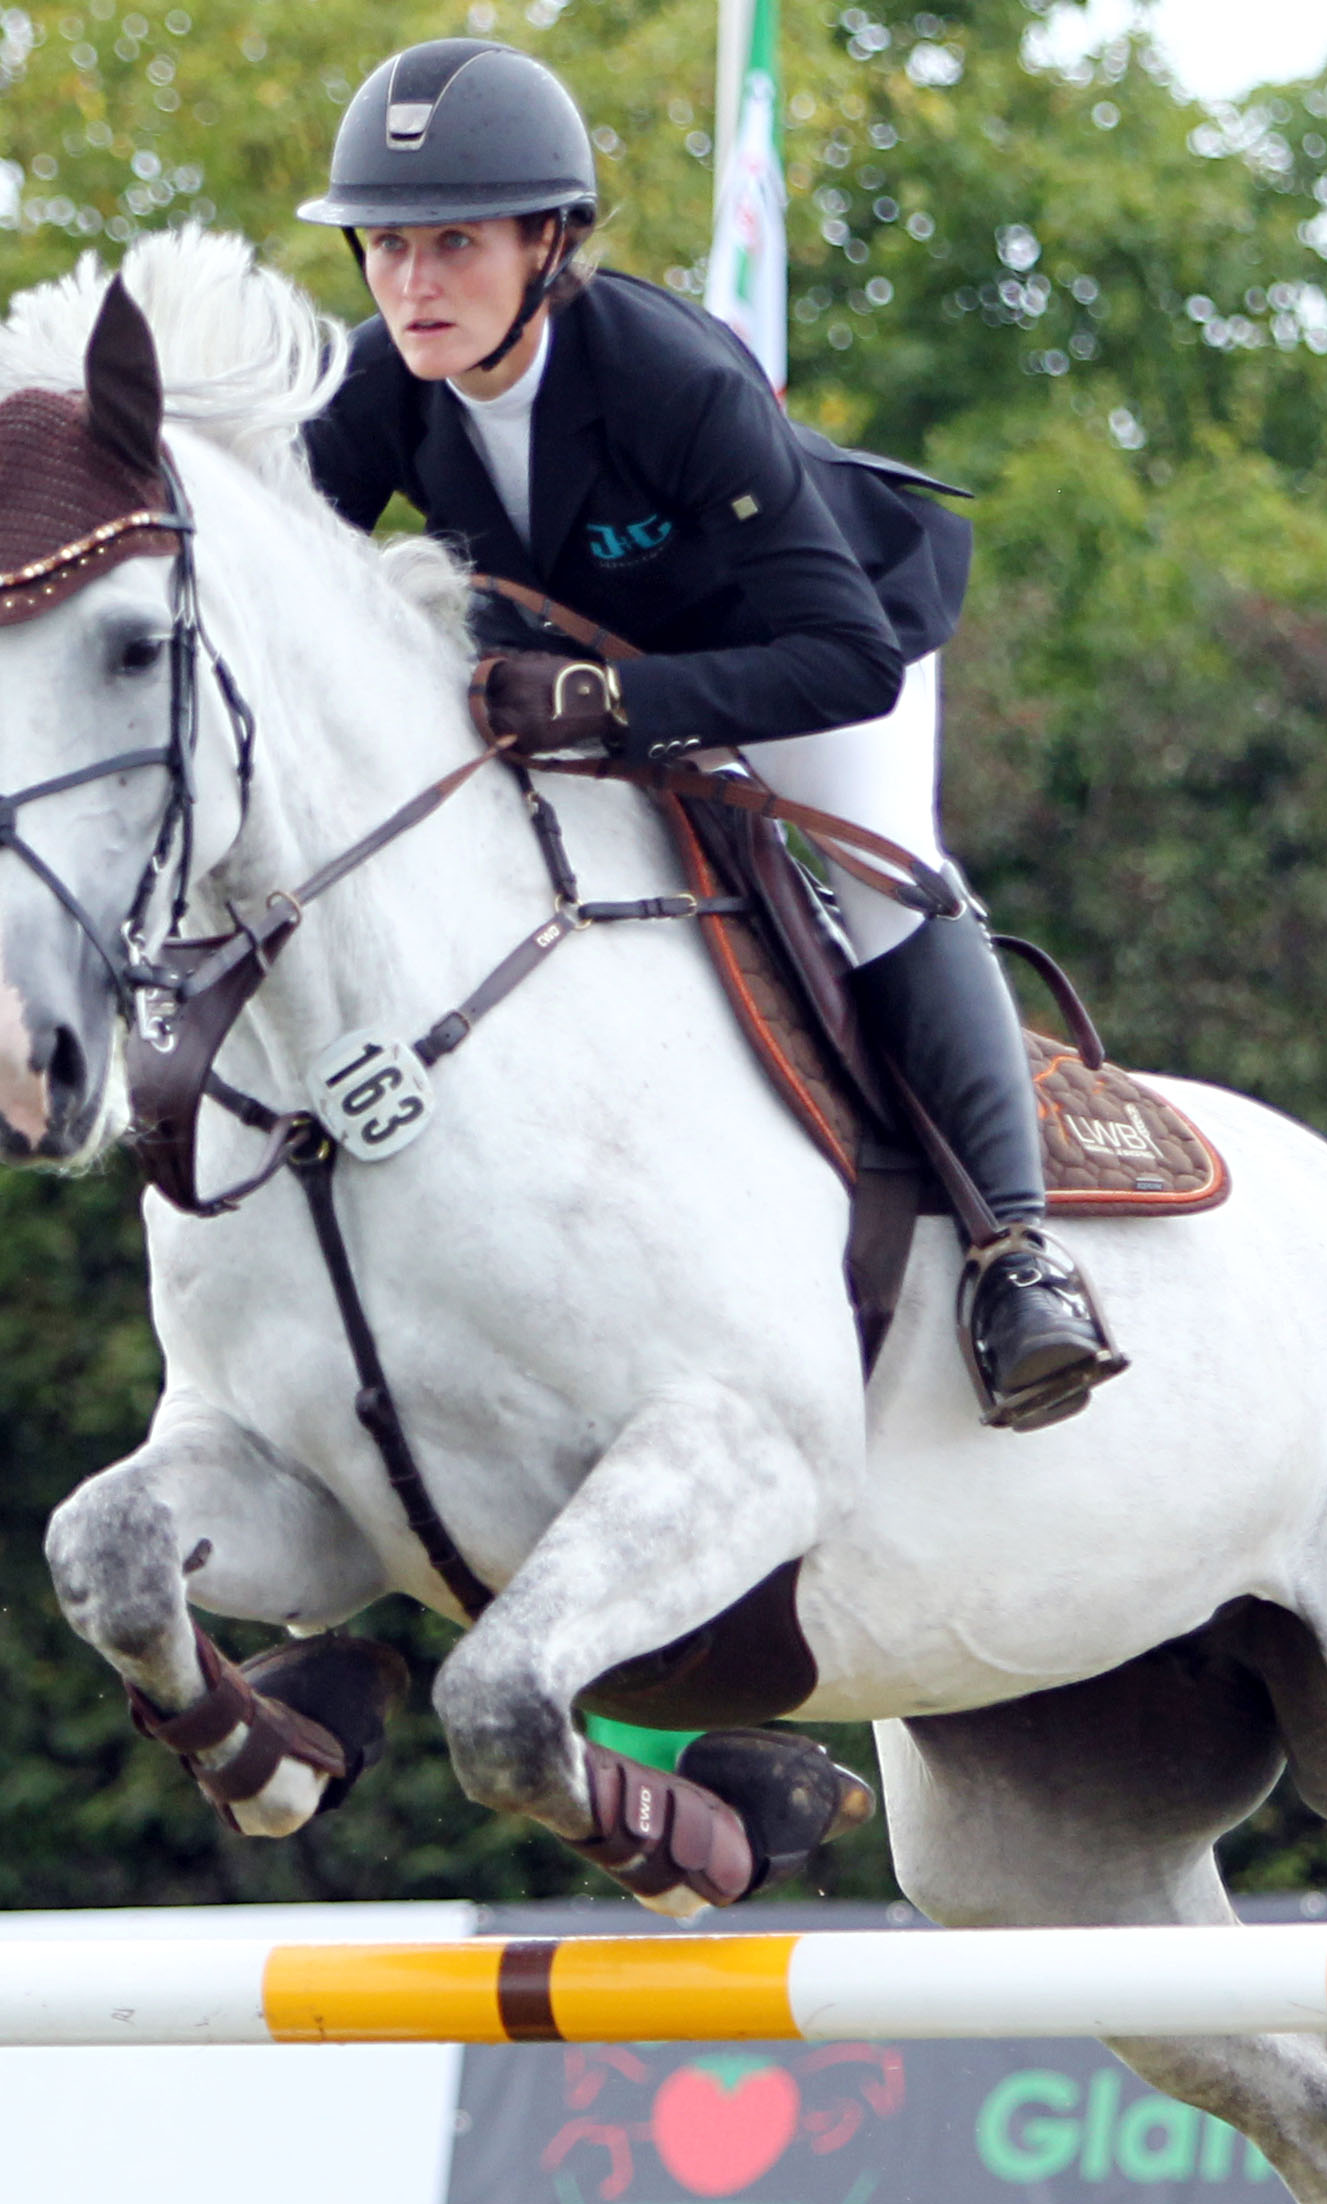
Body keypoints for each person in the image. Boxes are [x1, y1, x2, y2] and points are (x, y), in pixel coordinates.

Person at [295, 38, 1126, 1433]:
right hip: (589, 668)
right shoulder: (383, 382)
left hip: (825, 640)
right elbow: (293, 569)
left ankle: (1014, 1259)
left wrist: (619, 705)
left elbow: (845, 659)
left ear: (549, 243)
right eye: (385, 247)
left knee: (882, 880)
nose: (412, 285)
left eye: (454, 244)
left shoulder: (671, 380)